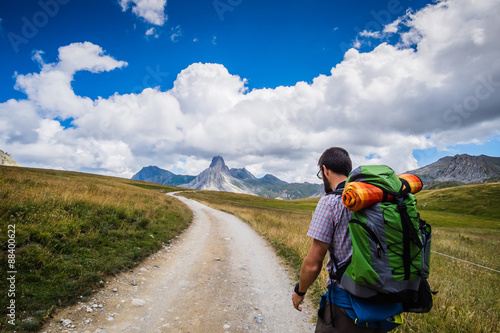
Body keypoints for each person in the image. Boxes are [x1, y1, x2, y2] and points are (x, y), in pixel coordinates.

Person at [292, 147, 384, 333]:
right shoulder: (379, 200)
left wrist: (300, 291)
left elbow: (313, 263)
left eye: (321, 173)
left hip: (346, 306)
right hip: (384, 302)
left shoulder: (330, 202)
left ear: (325, 170)